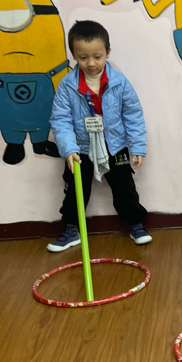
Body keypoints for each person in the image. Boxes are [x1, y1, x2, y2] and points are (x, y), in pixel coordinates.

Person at [46, 20, 151, 251]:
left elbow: (133, 115)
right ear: (74, 55)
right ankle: (72, 229)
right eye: (83, 57)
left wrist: (137, 147)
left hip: (115, 146)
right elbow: (60, 120)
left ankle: (135, 224)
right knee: (75, 189)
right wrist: (69, 149)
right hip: (80, 148)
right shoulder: (67, 85)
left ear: (108, 53)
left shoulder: (119, 82)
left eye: (97, 56)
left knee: (125, 187)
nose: (91, 63)